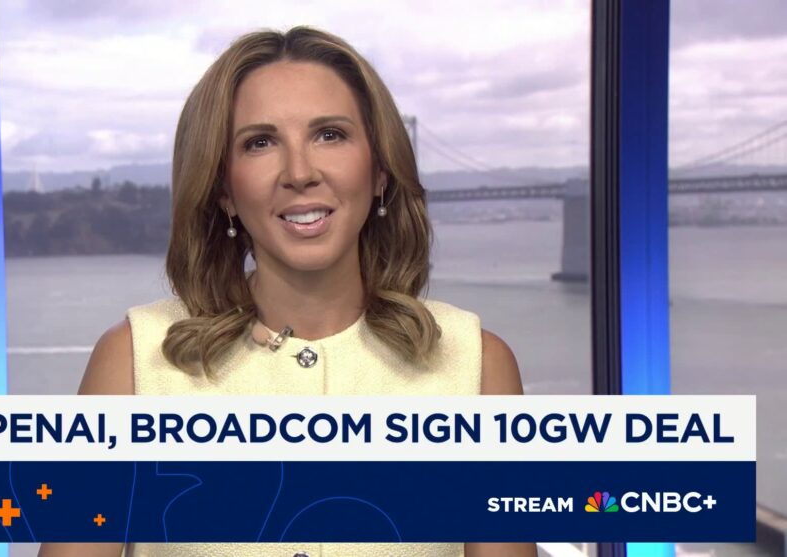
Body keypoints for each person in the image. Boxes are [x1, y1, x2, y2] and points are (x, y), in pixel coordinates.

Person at [41, 26, 536, 557]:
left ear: (380, 172)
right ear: (224, 190)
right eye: (260, 143)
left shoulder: (477, 368)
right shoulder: (133, 364)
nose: (299, 173)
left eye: (331, 134)